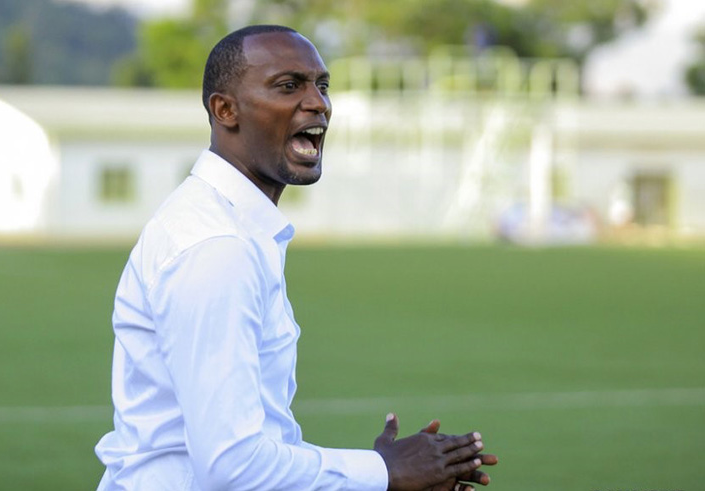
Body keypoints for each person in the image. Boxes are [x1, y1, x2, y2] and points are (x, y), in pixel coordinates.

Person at [95, 24, 498, 491]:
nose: (318, 103)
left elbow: (252, 447)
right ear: (225, 109)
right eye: (289, 86)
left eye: (322, 86)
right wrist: (386, 473)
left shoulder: (232, 228)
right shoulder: (217, 248)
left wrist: (385, 475)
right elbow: (232, 466)